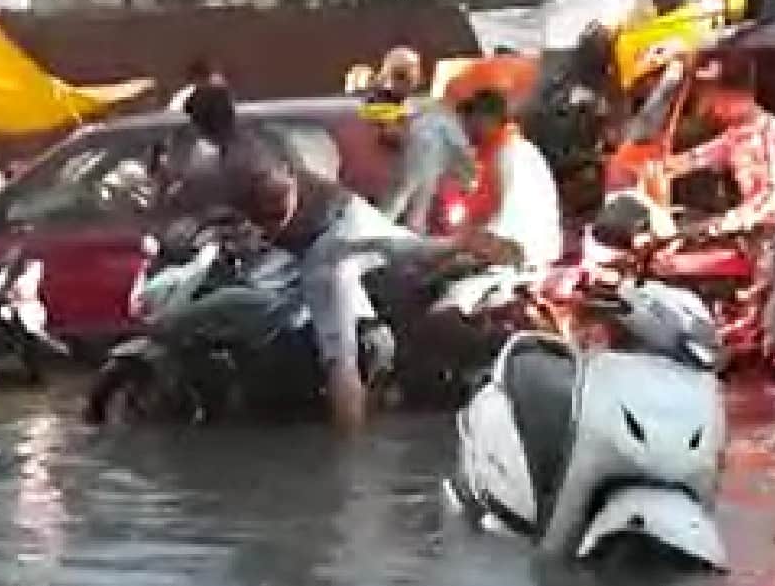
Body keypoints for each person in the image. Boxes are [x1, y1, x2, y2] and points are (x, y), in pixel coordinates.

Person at [183, 85, 409, 428]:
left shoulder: (240, 160)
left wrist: (258, 229)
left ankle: (349, 448)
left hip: (325, 238)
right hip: (342, 219)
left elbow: (275, 199)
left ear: (200, 125)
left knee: (338, 357)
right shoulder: (259, 140)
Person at [663, 70, 775, 239]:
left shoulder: (771, 136)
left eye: (719, 102)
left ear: (740, 95)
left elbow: (774, 198)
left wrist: (724, 223)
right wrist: (663, 167)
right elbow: (700, 156)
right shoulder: (735, 136)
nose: (717, 112)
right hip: (750, 233)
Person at [454, 89, 562, 270]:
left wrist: (460, 239)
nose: (465, 132)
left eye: (467, 123)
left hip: (517, 252)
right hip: (533, 250)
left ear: (485, 119)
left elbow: (484, 216)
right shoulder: (516, 148)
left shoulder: (504, 154)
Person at [381, 87, 478, 233]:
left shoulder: (432, 110)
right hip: (425, 157)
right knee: (408, 195)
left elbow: (405, 118)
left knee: (407, 194)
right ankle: (390, 226)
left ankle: (392, 226)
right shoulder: (453, 124)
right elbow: (465, 156)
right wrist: (470, 182)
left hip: (421, 156)